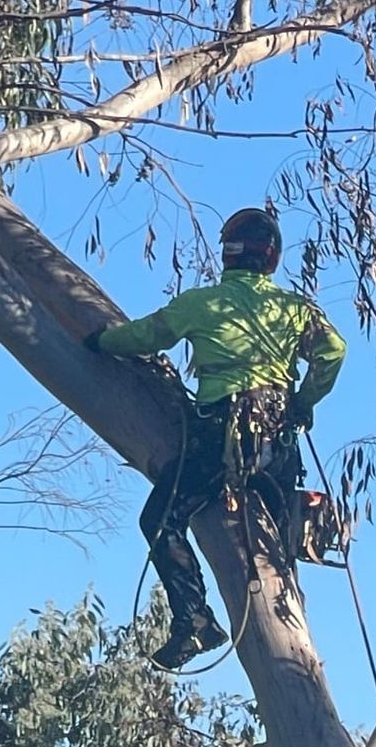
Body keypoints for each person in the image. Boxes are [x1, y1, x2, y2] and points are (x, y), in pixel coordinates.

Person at [89, 207, 346, 669]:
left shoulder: (203, 303)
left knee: (161, 521)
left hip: (218, 440)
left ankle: (194, 621)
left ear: (228, 255)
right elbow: (333, 350)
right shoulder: (294, 309)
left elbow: (145, 336)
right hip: (277, 447)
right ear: (271, 259)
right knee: (281, 548)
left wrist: (101, 341)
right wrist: (303, 402)